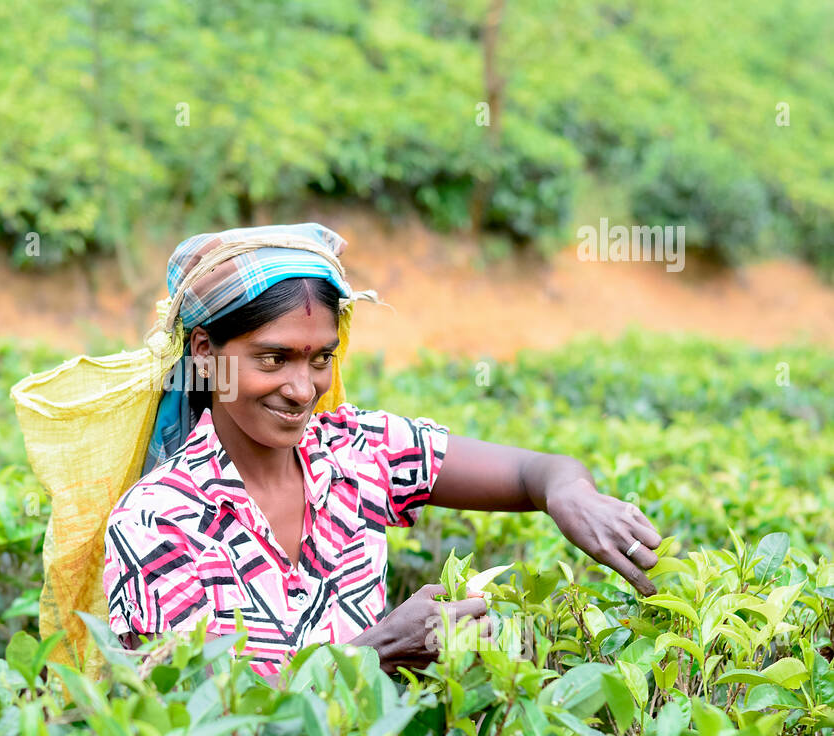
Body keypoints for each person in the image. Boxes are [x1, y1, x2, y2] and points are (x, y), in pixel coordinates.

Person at [101, 222, 662, 685]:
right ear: (205, 351)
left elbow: (535, 472)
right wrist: (379, 650)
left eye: (320, 358)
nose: (302, 389)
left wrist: (568, 493)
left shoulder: (360, 452)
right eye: (273, 360)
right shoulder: (156, 517)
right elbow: (191, 714)